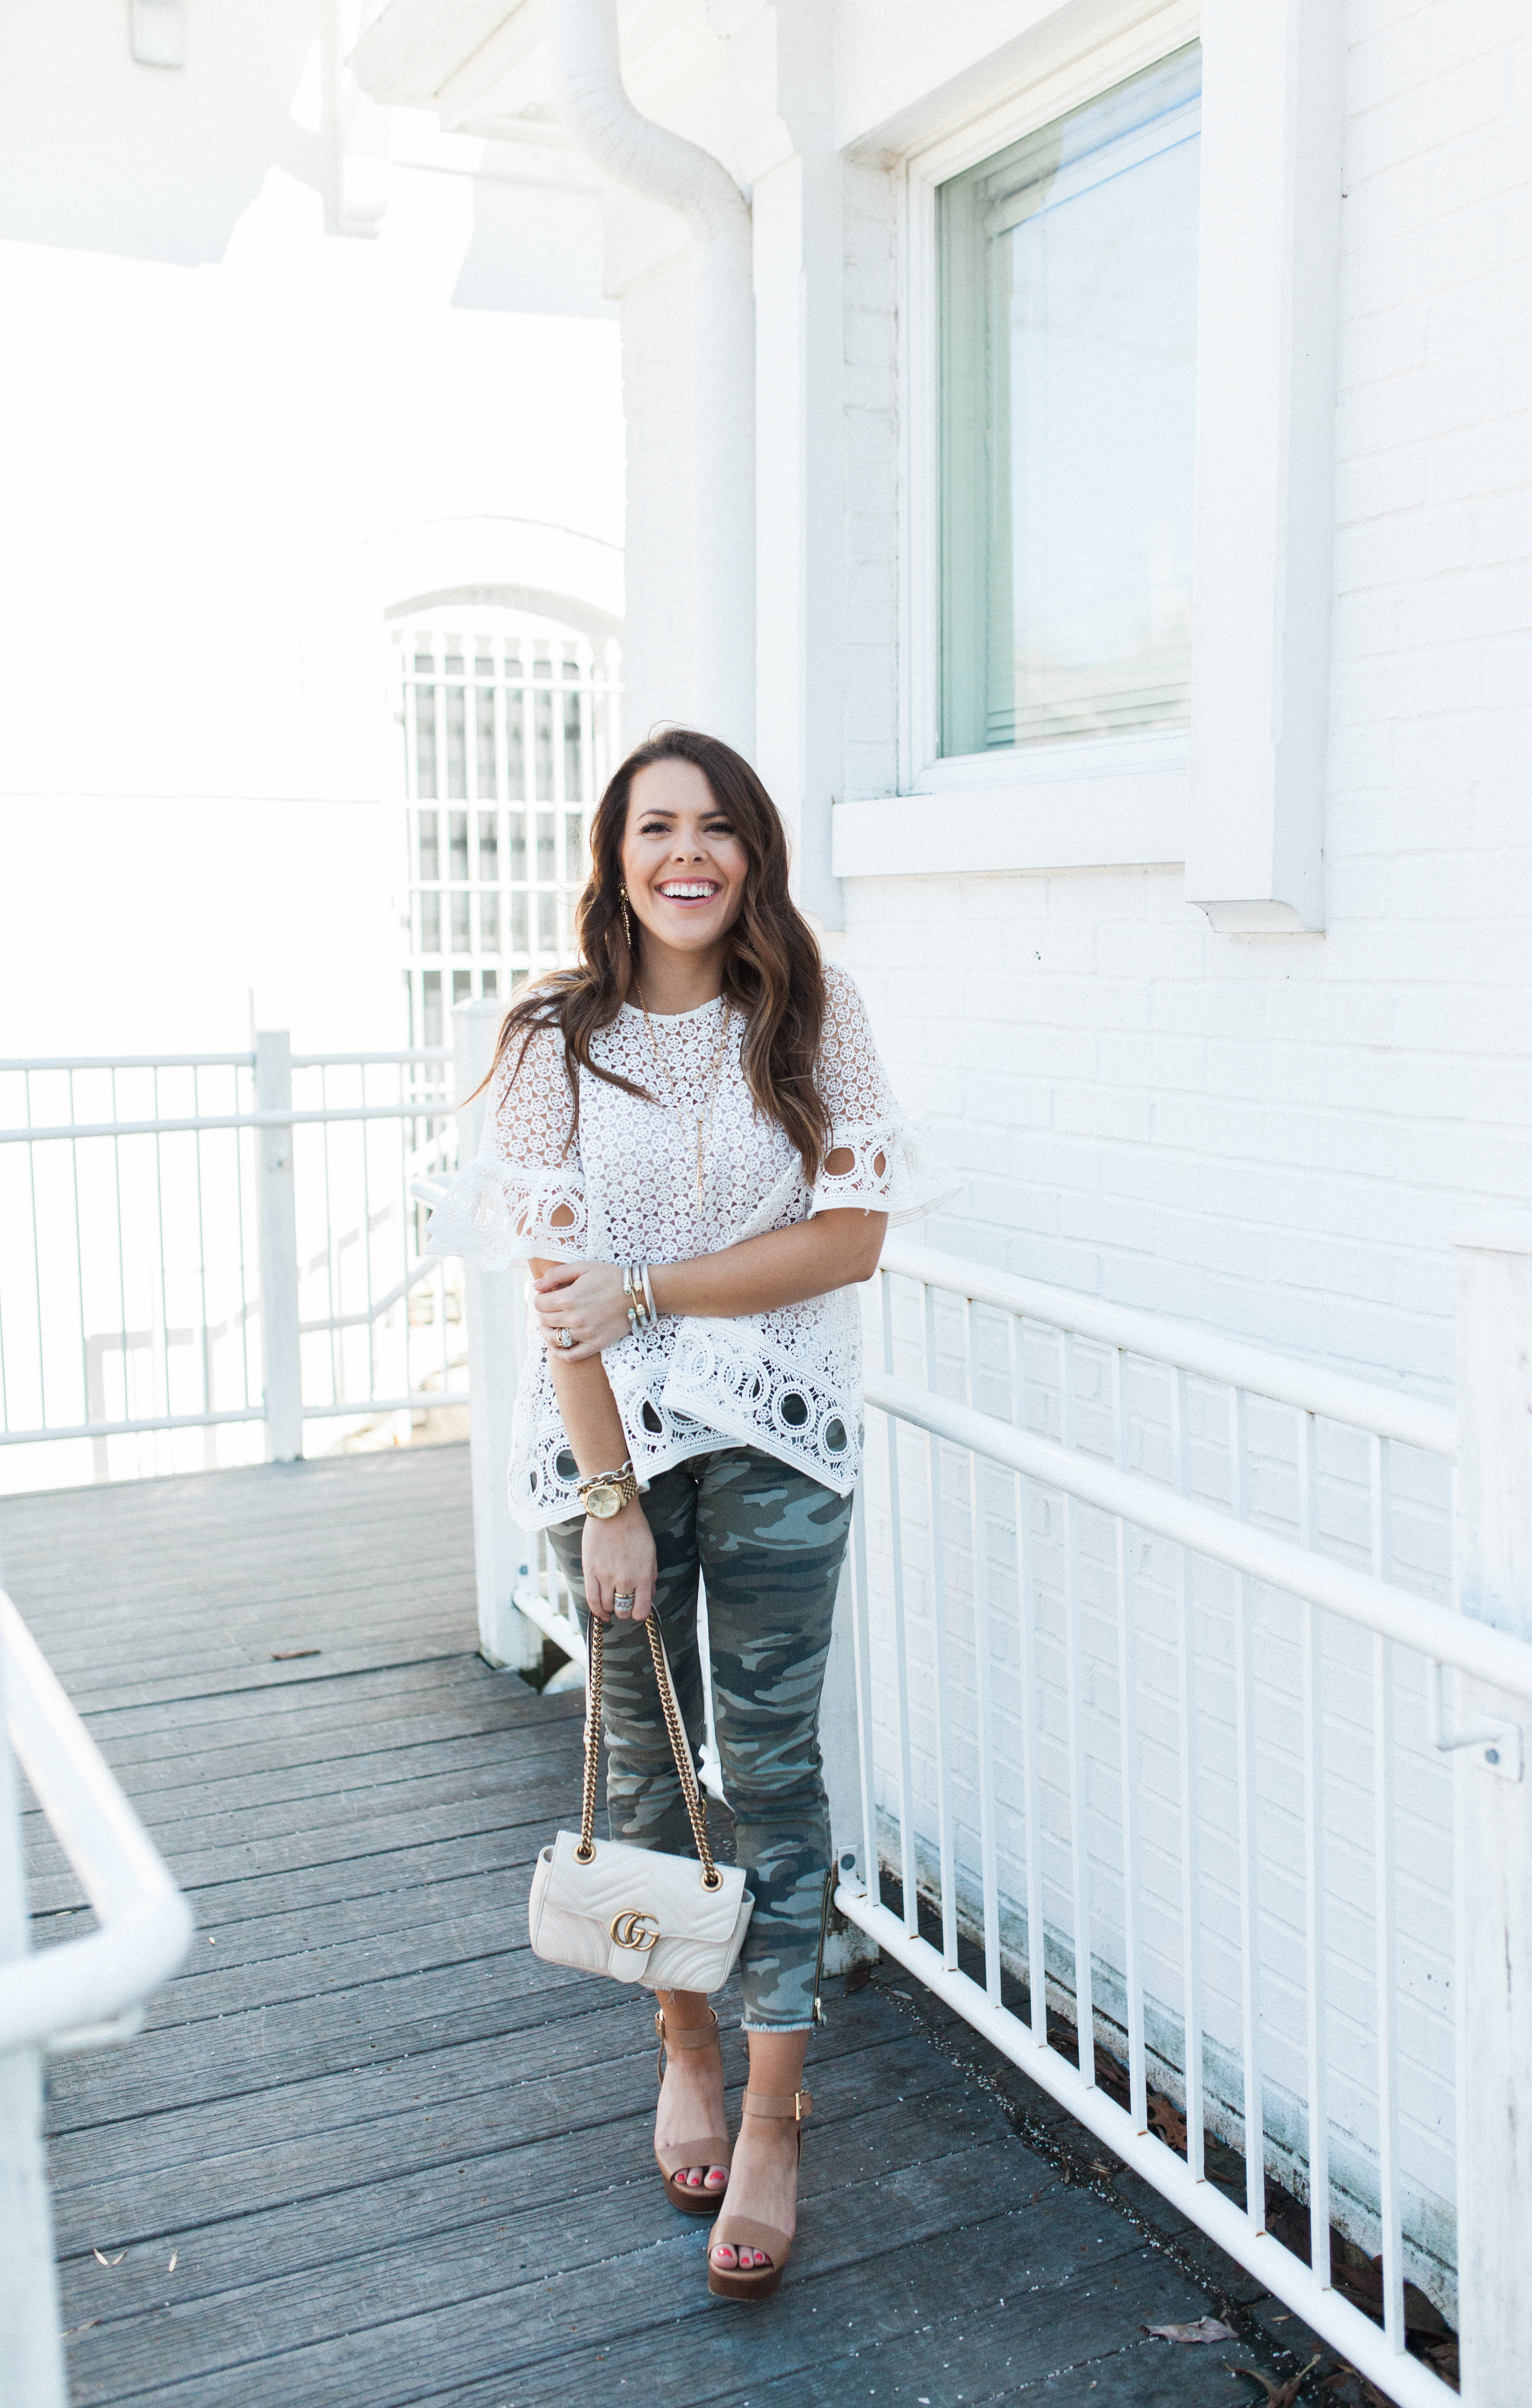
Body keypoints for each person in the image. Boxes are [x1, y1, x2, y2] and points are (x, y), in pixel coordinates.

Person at [426, 726, 955, 2301]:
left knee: (775, 1771)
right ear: (615, 852)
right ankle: (683, 2052)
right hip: (614, 1457)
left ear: (753, 855)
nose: (687, 855)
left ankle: (779, 2118)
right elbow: (554, 1302)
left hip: (782, 1437)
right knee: (648, 1769)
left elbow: (848, 1243)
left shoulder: (810, 1014)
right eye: (657, 827)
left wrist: (651, 1287)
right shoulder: (551, 1041)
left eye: (716, 829)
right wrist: (607, 1500)